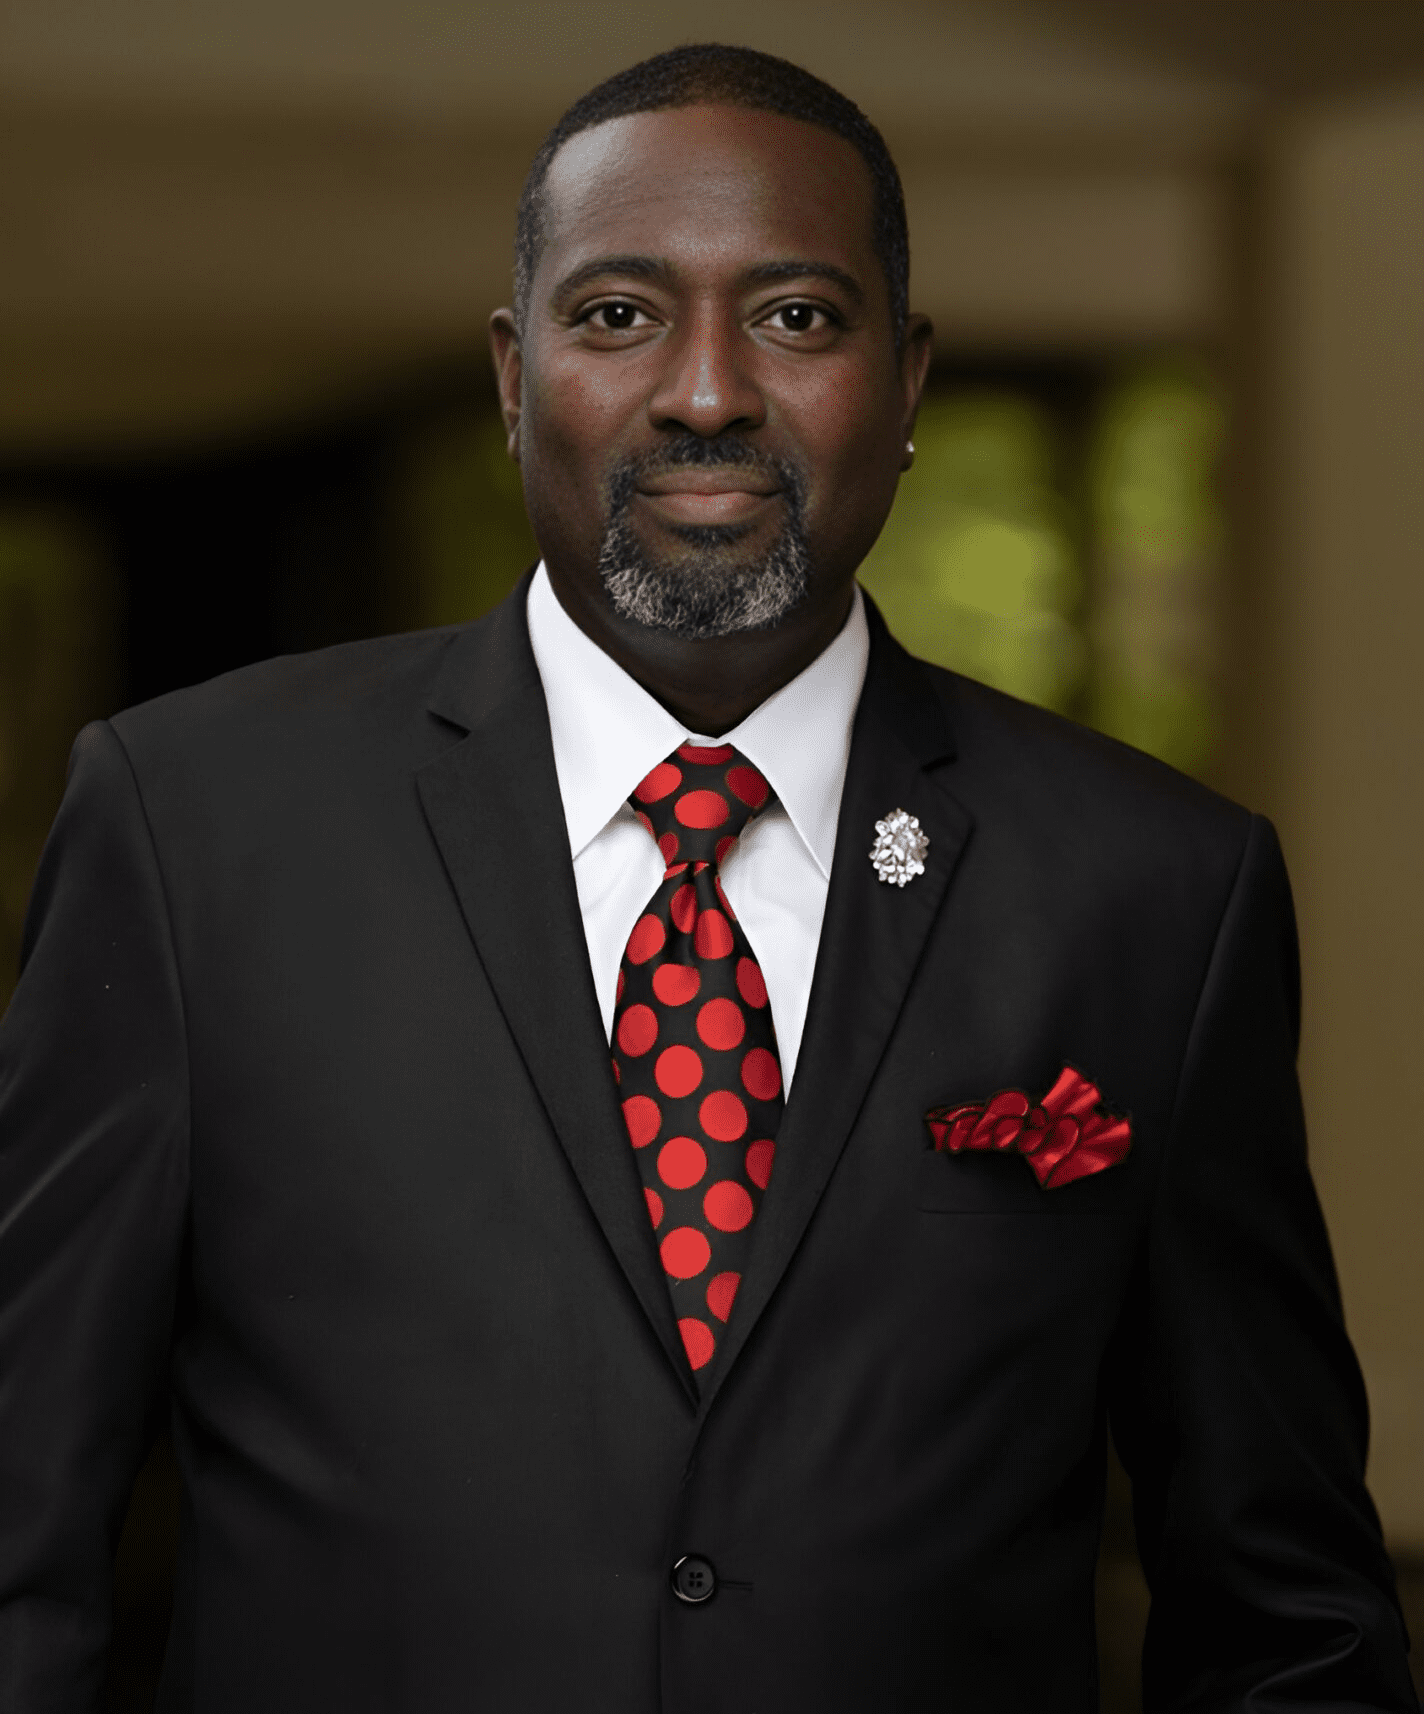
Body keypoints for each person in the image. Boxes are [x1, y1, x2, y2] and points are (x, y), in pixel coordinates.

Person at [0, 42, 1414, 1714]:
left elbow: (1287, 1618)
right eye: (618, 315)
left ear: (909, 379)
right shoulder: (194, 826)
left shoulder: (1157, 892)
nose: (706, 394)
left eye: (799, 316)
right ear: (516, 378)